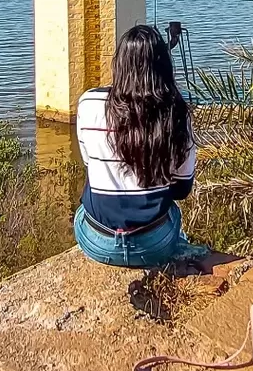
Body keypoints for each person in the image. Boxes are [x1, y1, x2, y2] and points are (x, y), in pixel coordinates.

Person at [73, 24, 204, 268]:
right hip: (153, 245)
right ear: (163, 67)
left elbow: (90, 165)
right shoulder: (176, 113)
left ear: (119, 63)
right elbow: (181, 190)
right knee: (173, 213)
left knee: (84, 209)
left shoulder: (89, 102)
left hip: (96, 241)